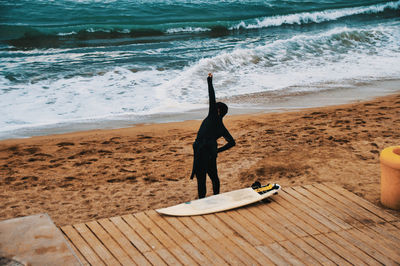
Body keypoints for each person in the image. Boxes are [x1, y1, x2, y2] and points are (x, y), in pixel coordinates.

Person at [190, 73, 236, 198]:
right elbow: (232, 142)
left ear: (218, 111)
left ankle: (202, 200)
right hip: (210, 154)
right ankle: (216, 196)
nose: (213, 107)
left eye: (215, 107)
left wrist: (209, 81)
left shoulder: (212, 116)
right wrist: (217, 150)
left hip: (201, 153)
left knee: (201, 180)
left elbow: (212, 97)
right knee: (214, 177)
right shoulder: (221, 127)